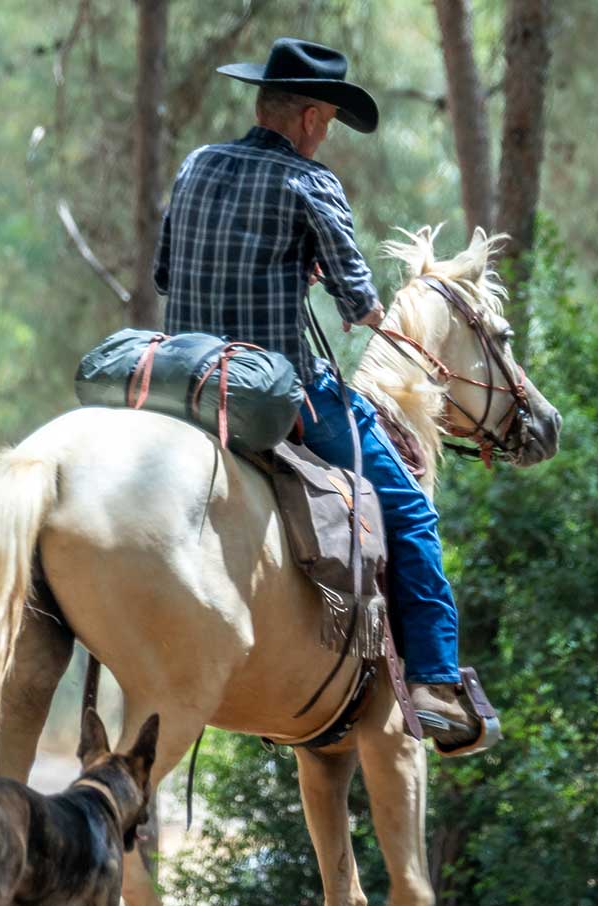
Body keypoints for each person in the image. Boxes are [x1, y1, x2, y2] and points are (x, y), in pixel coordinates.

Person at [153, 37, 475, 742]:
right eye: (326, 121)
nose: (324, 134)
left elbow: (165, 272)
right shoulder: (310, 182)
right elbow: (362, 304)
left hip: (181, 377)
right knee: (411, 515)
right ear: (306, 119)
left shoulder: (195, 165)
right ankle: (435, 684)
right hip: (273, 388)